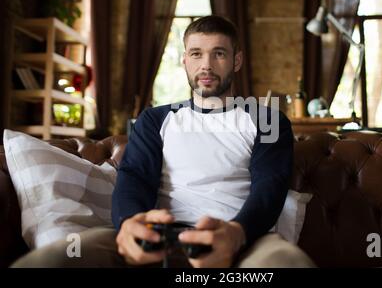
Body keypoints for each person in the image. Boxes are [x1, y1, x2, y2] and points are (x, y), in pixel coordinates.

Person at [12, 15, 315, 268]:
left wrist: (236, 234)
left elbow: (270, 188)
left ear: (236, 60)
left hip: (242, 239)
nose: (206, 65)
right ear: (184, 60)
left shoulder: (269, 119)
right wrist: (129, 224)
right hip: (158, 236)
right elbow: (134, 179)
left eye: (218, 53)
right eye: (196, 54)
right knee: (51, 260)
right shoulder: (154, 119)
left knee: (288, 263)